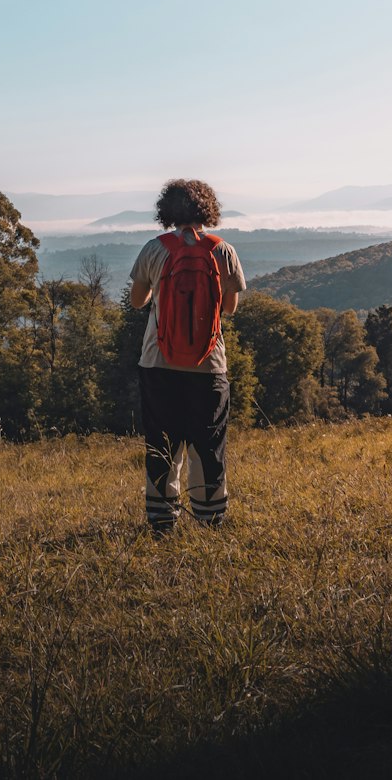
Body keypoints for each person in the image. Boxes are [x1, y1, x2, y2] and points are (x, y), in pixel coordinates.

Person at [130, 177, 246, 533]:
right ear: (208, 210)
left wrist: (159, 294)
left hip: (158, 363)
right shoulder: (222, 250)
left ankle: (162, 521)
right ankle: (210, 520)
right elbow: (230, 309)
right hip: (209, 365)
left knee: (162, 442)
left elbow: (137, 301)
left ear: (167, 211)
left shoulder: (154, 249)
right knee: (207, 444)